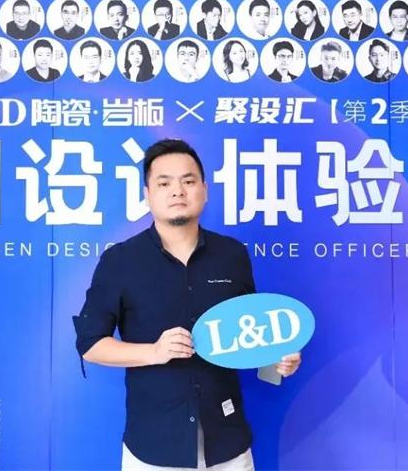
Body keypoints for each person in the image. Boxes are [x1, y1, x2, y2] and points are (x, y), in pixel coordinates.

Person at [73, 138, 302, 470]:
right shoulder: (119, 261)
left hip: (228, 447)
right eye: (164, 183)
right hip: (154, 449)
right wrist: (154, 352)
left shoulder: (232, 255)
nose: (177, 191)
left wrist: (276, 359)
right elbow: (90, 345)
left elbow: (252, 337)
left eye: (188, 181)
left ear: (205, 190)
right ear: (147, 194)